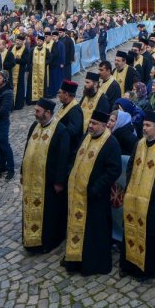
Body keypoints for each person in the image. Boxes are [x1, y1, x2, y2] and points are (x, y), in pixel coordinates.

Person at [62, 109, 122, 275]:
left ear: (104, 125)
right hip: (77, 193)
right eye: (90, 122)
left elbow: (113, 170)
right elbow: (75, 156)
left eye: (95, 124)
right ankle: (74, 257)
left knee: (94, 231)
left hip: (95, 197)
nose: (91, 126)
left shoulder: (111, 143)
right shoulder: (86, 136)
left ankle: (90, 263)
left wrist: (95, 189)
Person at [120, 112, 155, 280]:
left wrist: (145, 193)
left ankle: (146, 270)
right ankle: (128, 264)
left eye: (148, 125)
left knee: (149, 234)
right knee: (130, 229)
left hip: (153, 201)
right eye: (143, 125)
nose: (144, 128)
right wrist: (131, 186)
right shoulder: (139, 144)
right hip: (134, 197)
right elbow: (130, 167)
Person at [20, 98, 71, 254]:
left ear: (48, 113)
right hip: (31, 180)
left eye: (38, 111)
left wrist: (59, 182)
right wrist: (22, 171)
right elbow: (26, 150)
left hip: (48, 183)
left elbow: (64, 158)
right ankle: (29, 239)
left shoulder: (60, 131)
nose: (35, 114)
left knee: (48, 214)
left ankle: (47, 242)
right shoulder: (35, 126)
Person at [53, 79, 85, 158]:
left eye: (60, 92)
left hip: (69, 152)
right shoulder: (66, 105)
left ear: (66, 94)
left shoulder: (75, 111)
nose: (58, 95)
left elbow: (72, 132)